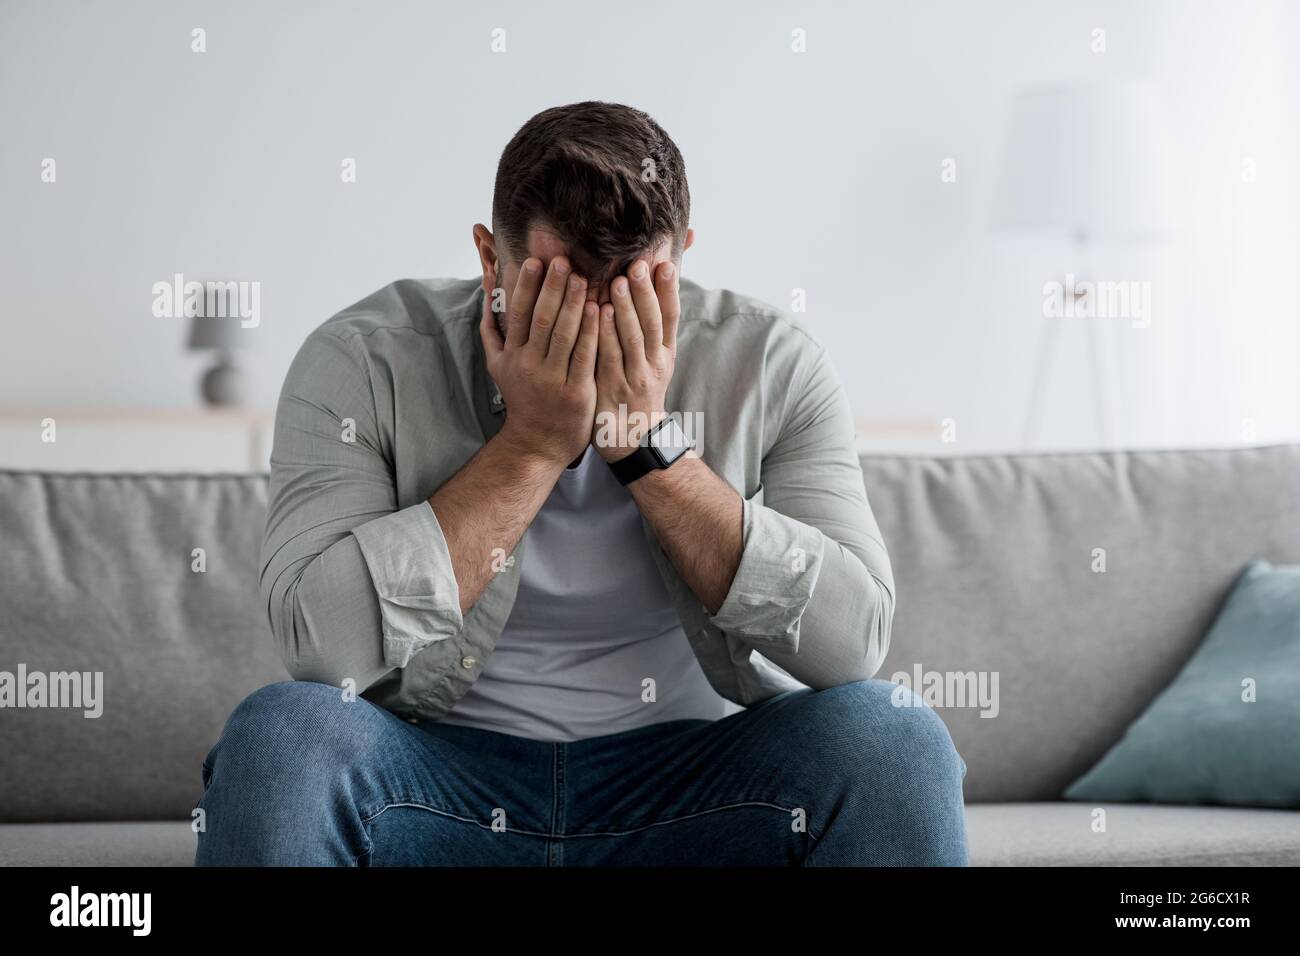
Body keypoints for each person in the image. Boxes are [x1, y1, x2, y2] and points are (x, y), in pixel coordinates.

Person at [195, 101, 968, 866]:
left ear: (679, 259)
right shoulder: (362, 359)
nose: (591, 332)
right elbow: (319, 649)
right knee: (282, 734)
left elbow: (853, 645)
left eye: (630, 293)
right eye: (556, 292)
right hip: (432, 780)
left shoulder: (773, 361)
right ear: (489, 259)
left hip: (694, 787)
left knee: (893, 738)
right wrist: (529, 447)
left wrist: (646, 447)